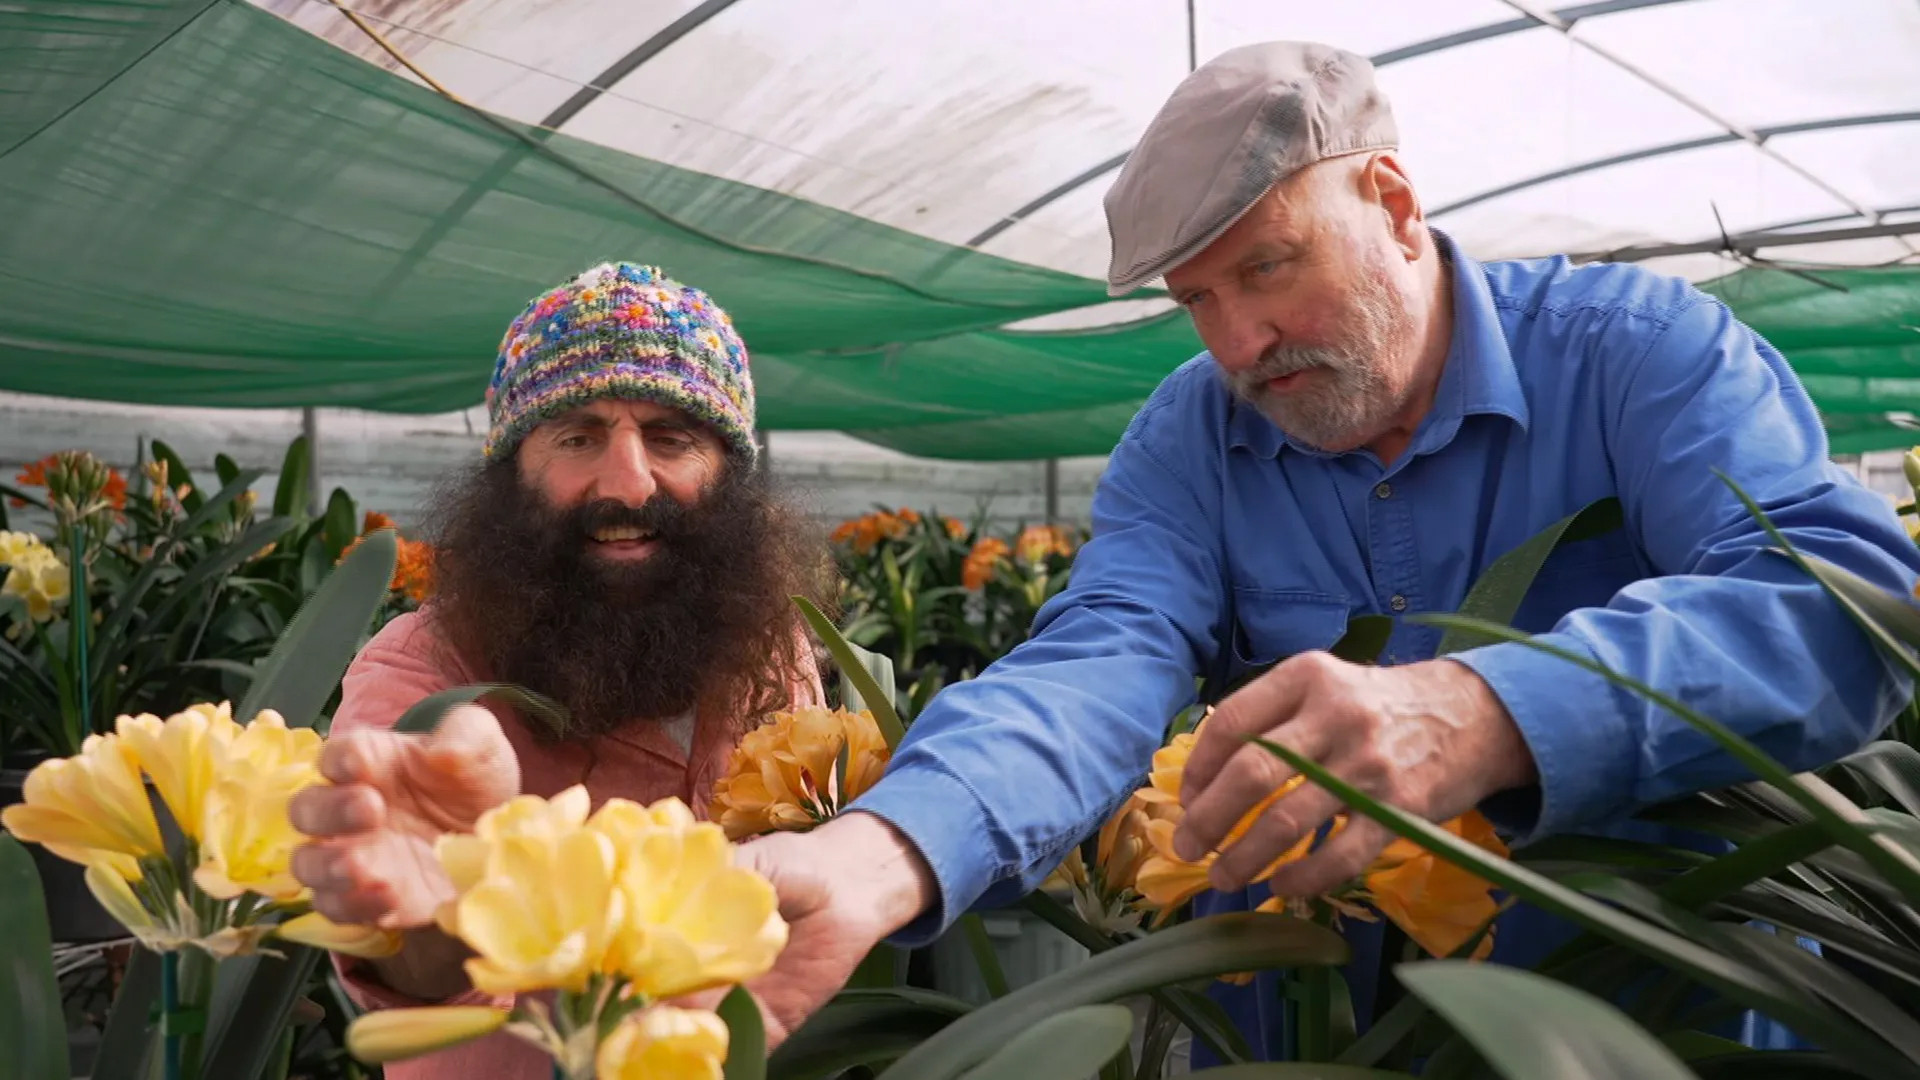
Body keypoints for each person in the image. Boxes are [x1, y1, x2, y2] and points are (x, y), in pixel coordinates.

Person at [731, 40, 1920, 1056]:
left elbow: (1847, 602)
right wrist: (883, 853)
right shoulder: (1191, 436)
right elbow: (1099, 660)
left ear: (1395, 205)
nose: (1238, 340)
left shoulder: (1641, 356)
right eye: (1196, 299)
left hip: (1645, 1018)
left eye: (1268, 266)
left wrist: (1482, 711)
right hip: (1308, 1027)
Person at [286, 262, 829, 1080]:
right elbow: (409, 965)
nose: (627, 480)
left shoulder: (773, 645)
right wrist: (426, 912)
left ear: (728, 473)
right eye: (578, 435)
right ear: (514, 471)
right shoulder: (423, 670)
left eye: (671, 436)